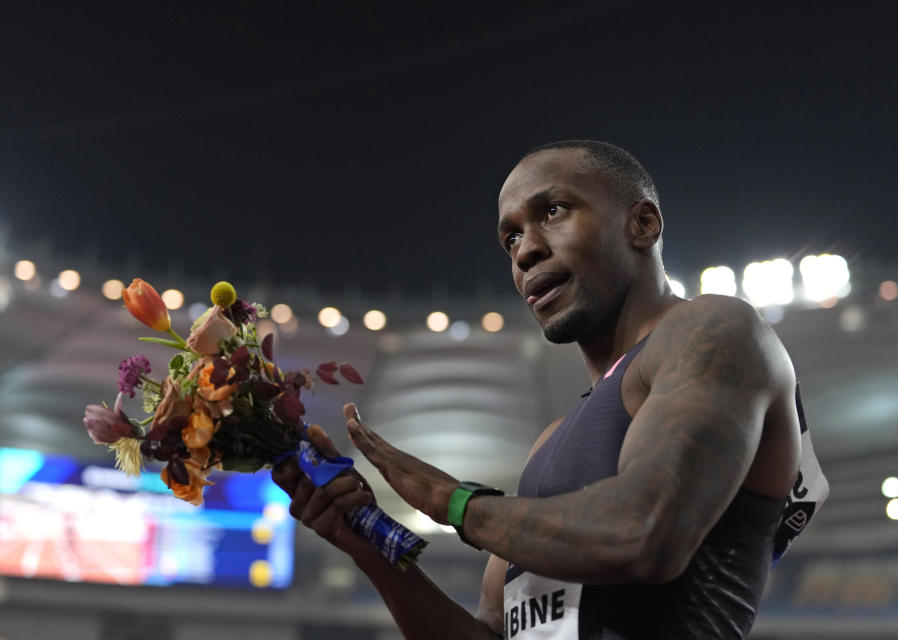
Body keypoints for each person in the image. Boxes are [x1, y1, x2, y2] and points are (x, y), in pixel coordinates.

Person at [273, 140, 826, 639]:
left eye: (553, 212)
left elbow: (644, 531)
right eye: (510, 236)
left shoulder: (716, 330)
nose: (525, 250)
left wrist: (453, 501)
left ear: (643, 224)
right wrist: (374, 549)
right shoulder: (550, 445)